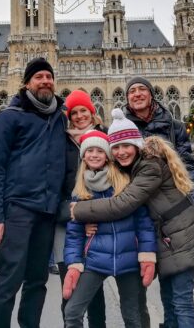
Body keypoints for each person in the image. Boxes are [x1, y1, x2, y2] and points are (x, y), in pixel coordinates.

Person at [72, 109, 194, 328]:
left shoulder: (149, 166)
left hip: (179, 236)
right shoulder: (135, 166)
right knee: (170, 301)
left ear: (136, 144)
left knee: (181, 301)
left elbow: (122, 204)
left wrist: (78, 210)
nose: (121, 152)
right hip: (168, 237)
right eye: (115, 147)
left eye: (126, 145)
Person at [0, 57, 68, 328]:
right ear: (27, 83)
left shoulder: (60, 118)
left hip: (46, 211)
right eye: (39, 77)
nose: (45, 81)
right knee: (9, 280)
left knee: (37, 281)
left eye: (49, 76)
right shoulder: (10, 117)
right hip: (17, 209)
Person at [63, 129, 157, 328]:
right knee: (72, 313)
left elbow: (143, 222)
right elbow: (74, 233)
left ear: (107, 155)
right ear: (84, 156)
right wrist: (74, 263)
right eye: (90, 151)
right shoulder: (80, 190)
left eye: (99, 150)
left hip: (128, 259)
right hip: (95, 259)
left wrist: (147, 254)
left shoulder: (124, 182)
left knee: (132, 316)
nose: (94, 155)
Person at [58, 90, 107, 328]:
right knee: (68, 289)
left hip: (98, 223)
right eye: (73, 112)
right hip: (67, 221)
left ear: (92, 111)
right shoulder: (61, 141)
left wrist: (93, 214)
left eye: (83, 111)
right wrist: (74, 214)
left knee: (94, 292)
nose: (79, 116)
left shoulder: (105, 139)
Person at [123, 77, 194, 209]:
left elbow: (188, 167)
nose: (137, 94)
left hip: (173, 203)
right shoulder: (122, 130)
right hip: (138, 204)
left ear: (151, 95)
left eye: (142, 89)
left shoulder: (174, 126)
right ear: (128, 98)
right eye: (132, 91)